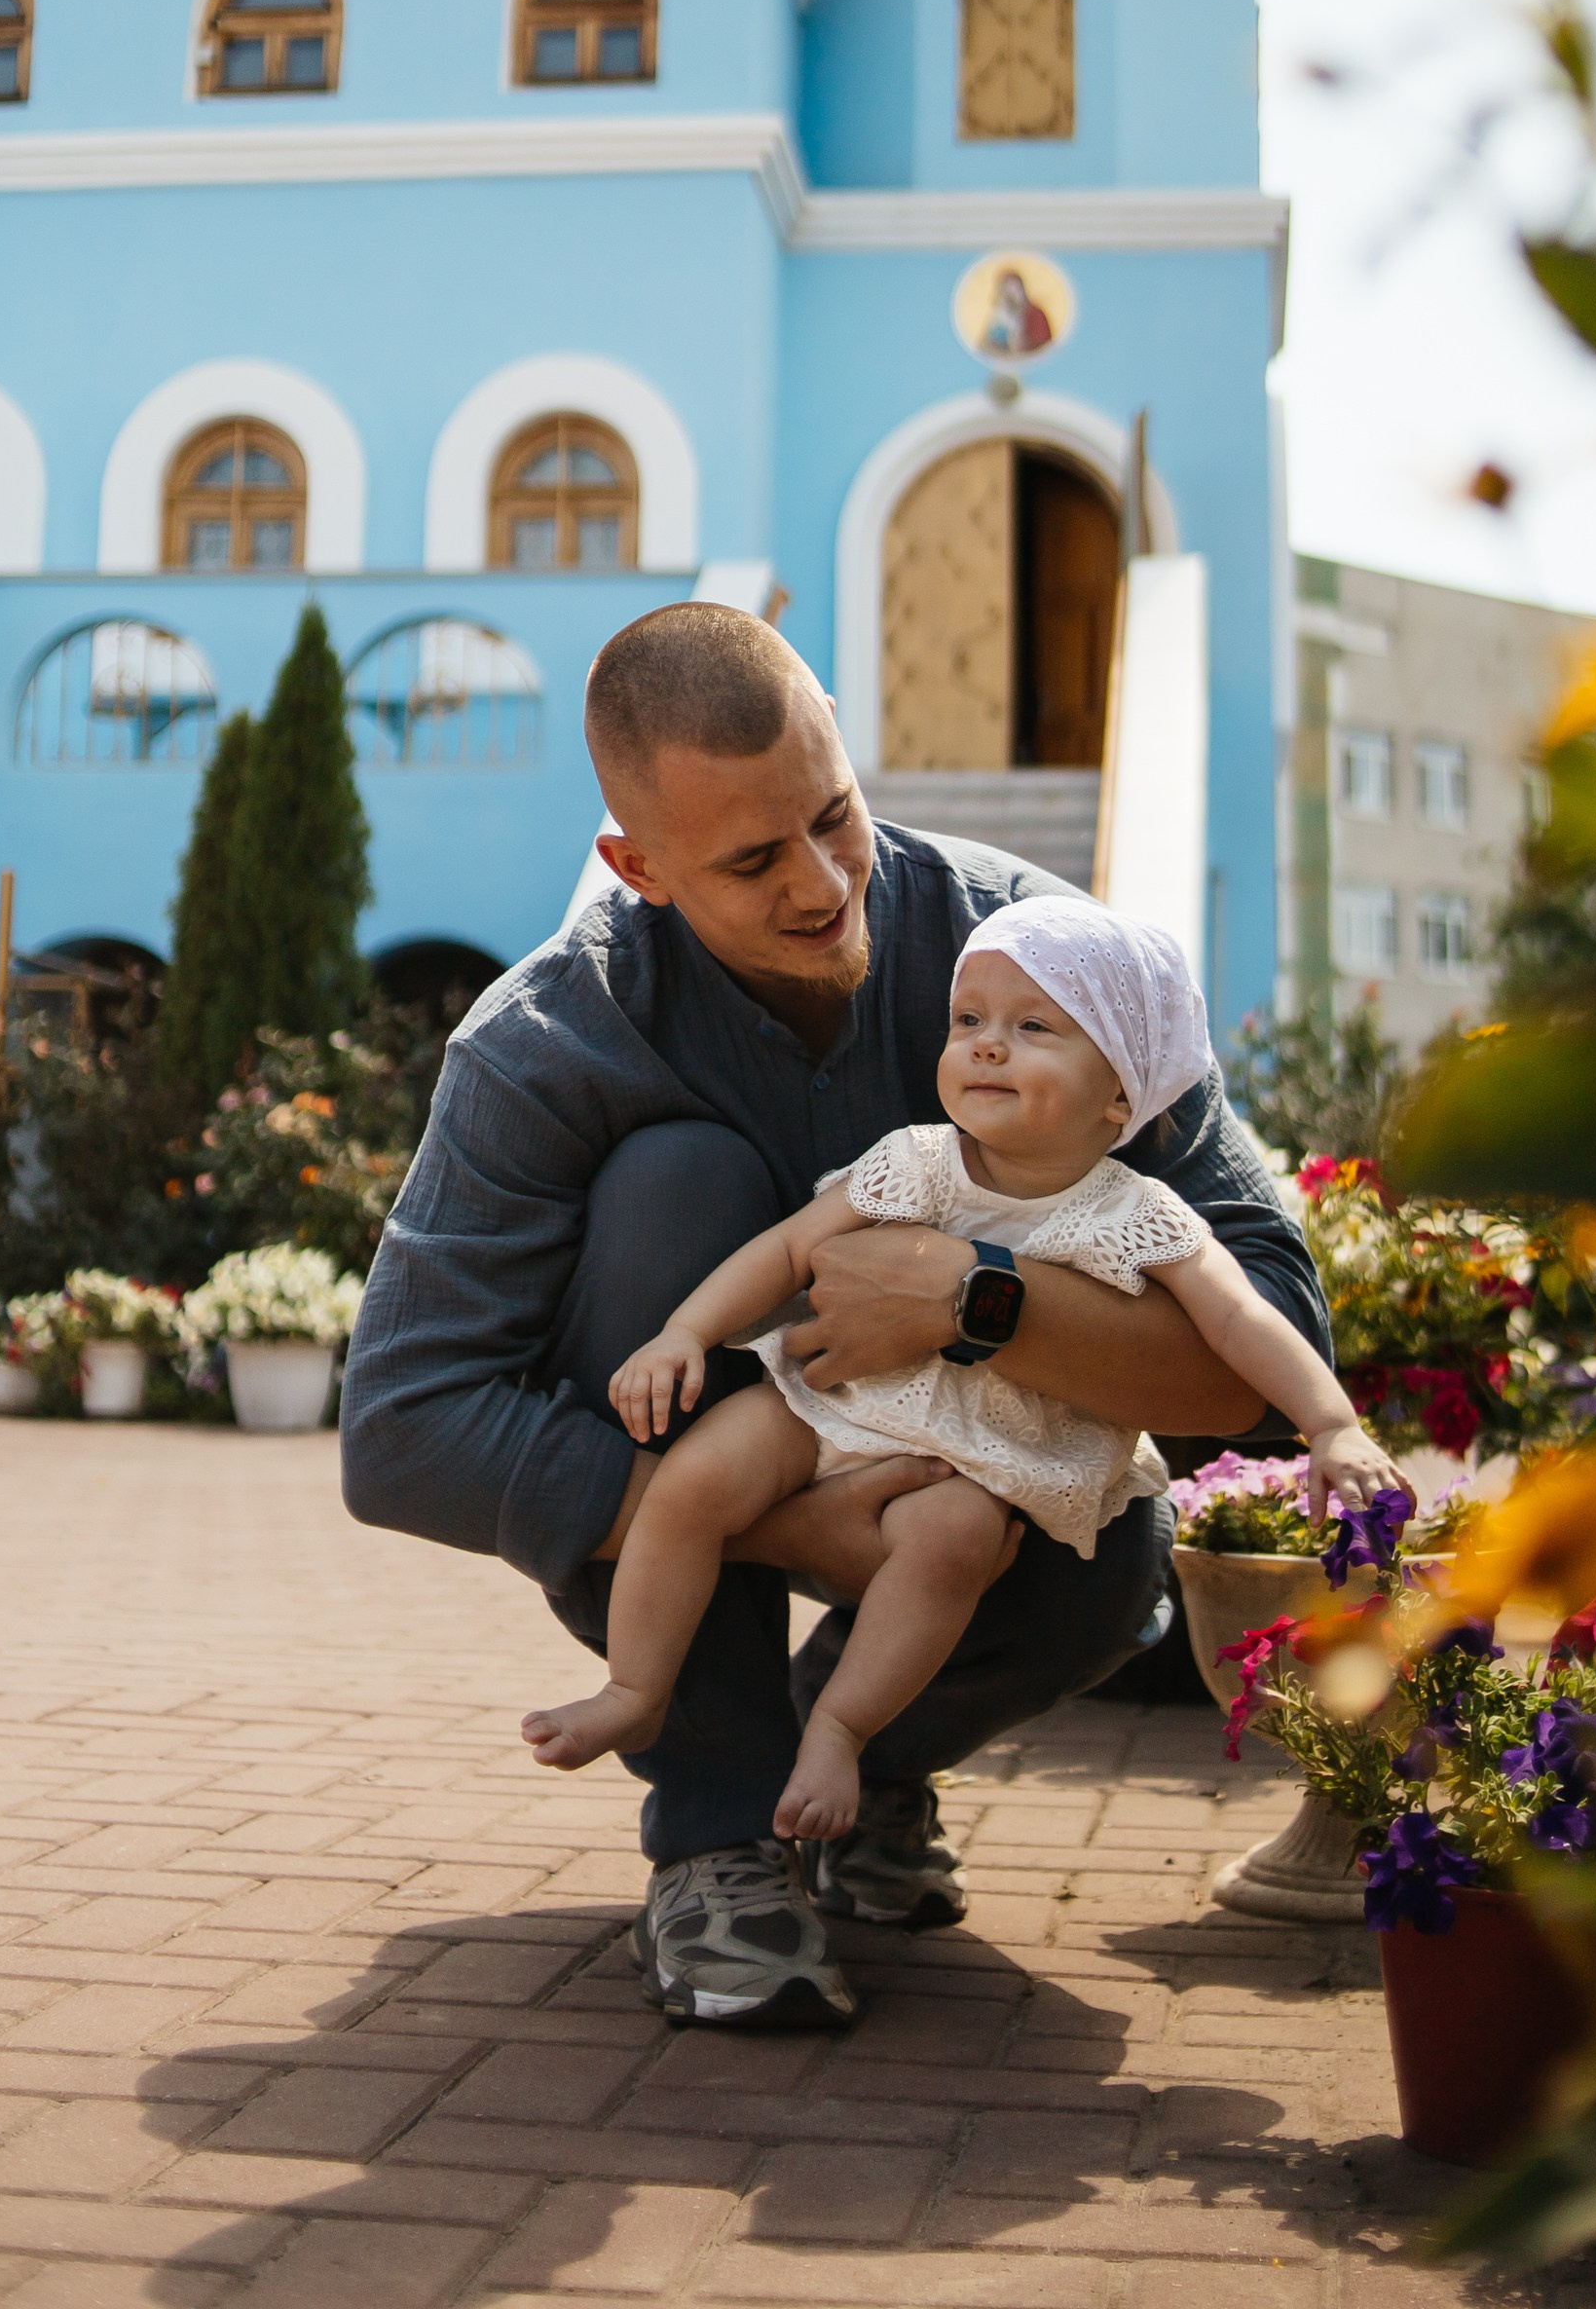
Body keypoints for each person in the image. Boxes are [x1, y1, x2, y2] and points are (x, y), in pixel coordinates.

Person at [340, 602, 1334, 2033]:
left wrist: (973, 1303)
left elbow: (1273, 1324)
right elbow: (403, 1434)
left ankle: (855, 1766)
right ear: (639, 867)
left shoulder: (1041, 959)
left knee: (1119, 1568)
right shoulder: (548, 1040)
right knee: (675, 1185)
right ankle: (722, 1836)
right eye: (753, 861)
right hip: (724, 1460)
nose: (822, 885)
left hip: (978, 1487)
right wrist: (767, 1510)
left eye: (836, 817)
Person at [520, 892, 1404, 1843]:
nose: (986, 1044)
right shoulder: (921, 1163)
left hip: (983, 1459)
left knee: (948, 1548)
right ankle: (637, 1686)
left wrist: (1331, 1424)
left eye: (1033, 1027)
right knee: (696, 1476)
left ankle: (840, 1728)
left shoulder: (1140, 1215)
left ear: (1121, 1091)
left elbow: (1243, 1322)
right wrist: (684, 1333)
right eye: (969, 1021)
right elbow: (787, 1250)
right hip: (839, 1402)